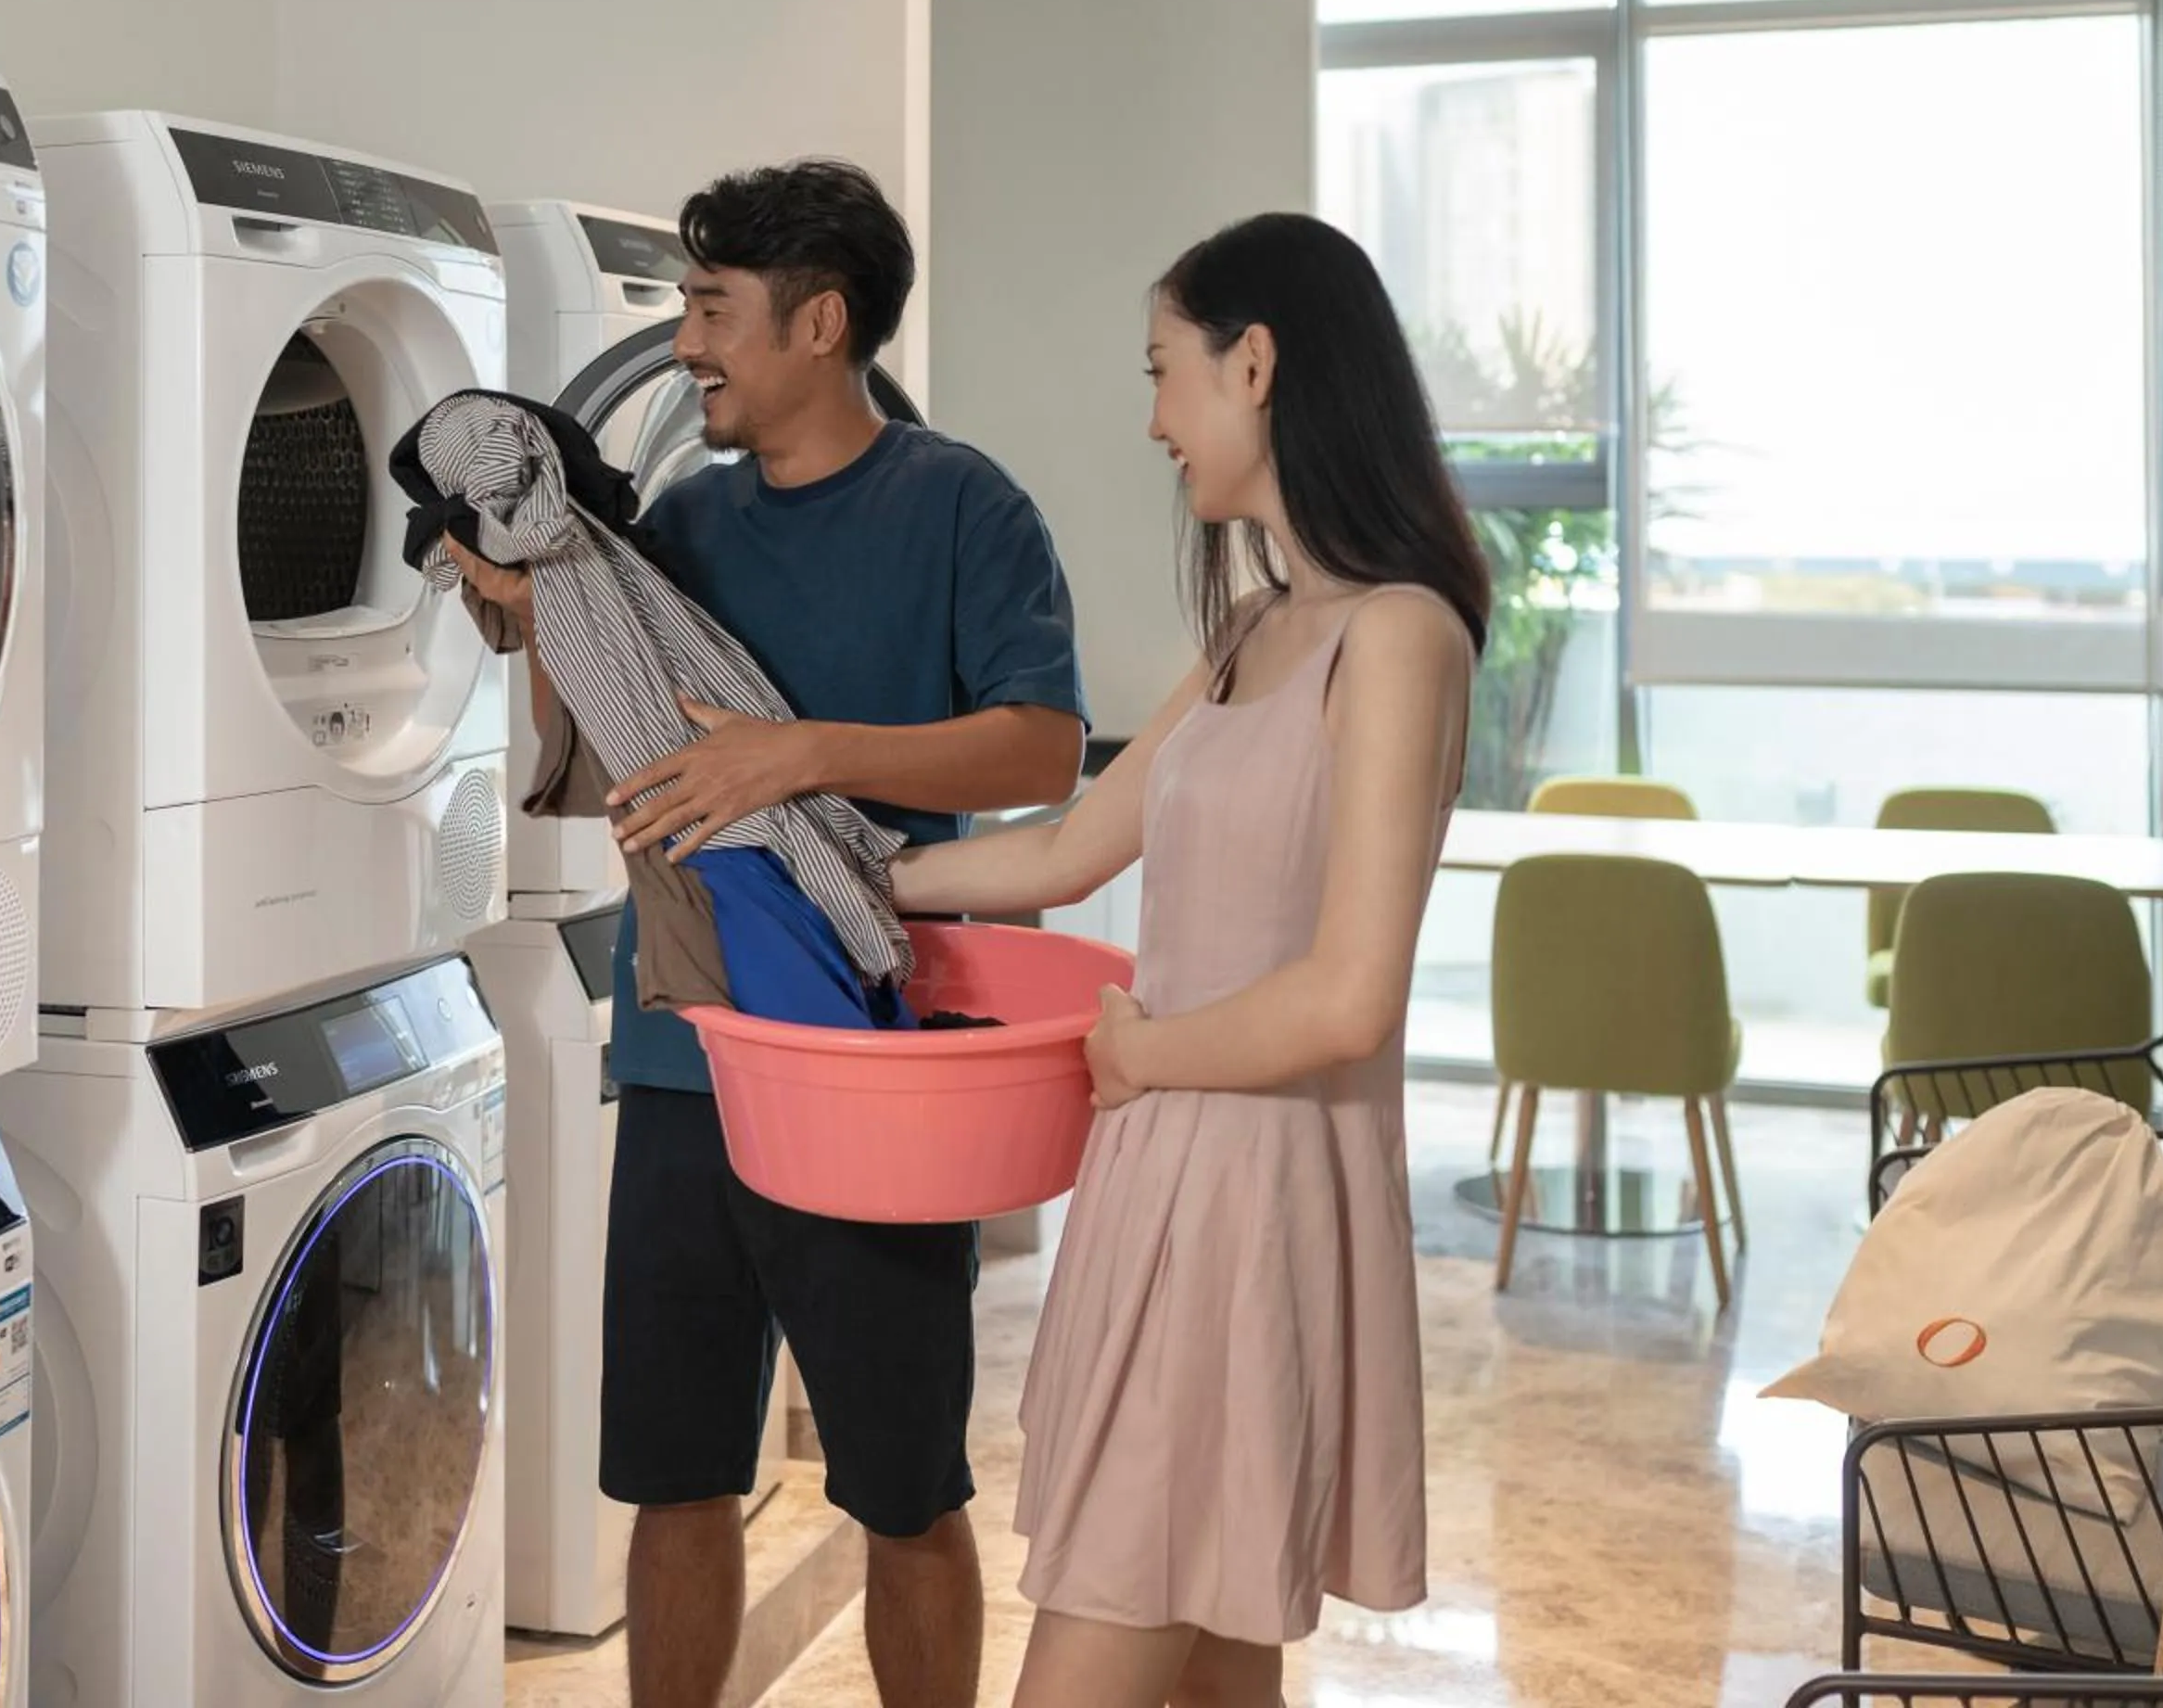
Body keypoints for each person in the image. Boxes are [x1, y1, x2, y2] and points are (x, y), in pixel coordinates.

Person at [445, 159, 1085, 1708]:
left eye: (714, 311)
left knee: (903, 1486)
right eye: (682, 309)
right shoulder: (682, 520)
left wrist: (797, 753)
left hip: (870, 1072)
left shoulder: (961, 506)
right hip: (680, 1055)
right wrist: (528, 617)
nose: (685, 348)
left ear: (822, 323)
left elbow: (1039, 754)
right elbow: (616, 748)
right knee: (674, 1474)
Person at [889, 212, 1491, 1708]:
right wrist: (851, 873)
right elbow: (1062, 849)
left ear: (1258, 362)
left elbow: (1351, 993)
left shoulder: (1398, 639)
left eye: (1166, 372)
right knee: (1222, 1674)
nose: (1154, 416)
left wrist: (1138, 1050)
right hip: (1168, 1180)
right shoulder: (1251, 633)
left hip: (1259, 1198)